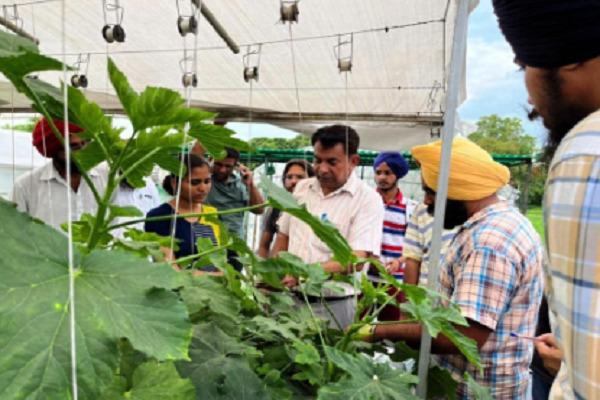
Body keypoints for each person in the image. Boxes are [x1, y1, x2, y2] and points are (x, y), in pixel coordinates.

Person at [358, 138, 544, 398]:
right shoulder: (500, 223)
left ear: (457, 188)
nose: (425, 201)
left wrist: (375, 331)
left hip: (476, 389)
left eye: (430, 192)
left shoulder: (489, 243)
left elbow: (460, 336)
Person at [493, 2, 600, 398]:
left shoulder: (587, 153)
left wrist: (574, 368)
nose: (531, 98)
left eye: (525, 68)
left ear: (568, 58)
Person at [272, 125, 384, 329]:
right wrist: (271, 276)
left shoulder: (368, 199)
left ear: (354, 161)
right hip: (289, 298)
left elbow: (357, 258)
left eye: (332, 162)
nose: (322, 169)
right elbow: (283, 236)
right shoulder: (302, 188)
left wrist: (303, 273)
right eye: (317, 160)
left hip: (332, 307)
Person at [11, 117, 107, 231]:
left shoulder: (107, 178)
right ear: (53, 149)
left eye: (85, 143)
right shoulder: (25, 186)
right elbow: (14, 233)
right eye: (73, 146)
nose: (83, 151)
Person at [145, 154, 220, 272]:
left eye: (207, 181)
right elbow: (169, 269)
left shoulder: (211, 213)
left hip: (212, 289)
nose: (203, 188)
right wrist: (213, 276)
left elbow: (219, 261)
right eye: (195, 182)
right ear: (175, 183)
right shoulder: (159, 217)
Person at [367, 151, 416, 321]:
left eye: (387, 173)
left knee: (391, 328)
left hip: (394, 279)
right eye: (378, 172)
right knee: (357, 324)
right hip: (365, 276)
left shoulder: (409, 208)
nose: (382, 177)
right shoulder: (366, 202)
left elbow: (415, 245)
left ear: (397, 175)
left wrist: (399, 261)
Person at [206, 147, 264, 270]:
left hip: (233, 243)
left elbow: (259, 210)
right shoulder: (204, 181)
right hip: (207, 241)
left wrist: (250, 185)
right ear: (210, 160)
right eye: (218, 164)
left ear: (236, 166)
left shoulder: (241, 184)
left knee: (232, 282)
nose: (222, 170)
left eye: (228, 166)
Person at [257, 159, 314, 258]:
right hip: (281, 267)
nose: (294, 181)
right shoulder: (277, 207)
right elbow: (264, 245)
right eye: (289, 177)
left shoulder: (318, 207)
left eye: (300, 177)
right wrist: (262, 269)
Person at [401, 202, 458, 286]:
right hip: (424, 295)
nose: (426, 199)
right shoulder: (421, 209)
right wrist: (409, 297)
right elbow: (412, 258)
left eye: (430, 192)